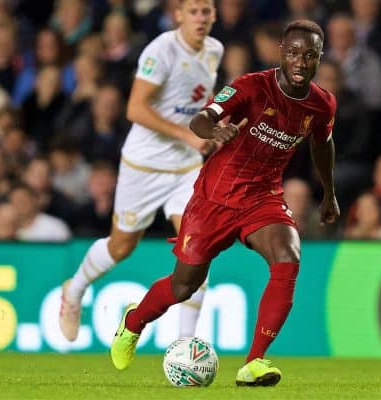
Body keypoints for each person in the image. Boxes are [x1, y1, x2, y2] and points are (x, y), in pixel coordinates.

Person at [110, 19, 338, 386]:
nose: (300, 61)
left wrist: (329, 192)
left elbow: (322, 144)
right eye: (294, 52)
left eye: (309, 55)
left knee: (288, 256)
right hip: (214, 199)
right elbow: (203, 118)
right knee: (183, 286)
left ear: (318, 58)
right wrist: (214, 130)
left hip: (263, 197)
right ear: (282, 50)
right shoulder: (251, 87)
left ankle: (254, 362)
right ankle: (133, 321)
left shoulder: (321, 104)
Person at [58, 0, 223, 342]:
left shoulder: (214, 50)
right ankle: (74, 291)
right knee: (121, 246)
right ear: (179, 15)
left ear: (214, 16)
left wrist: (215, 126)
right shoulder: (161, 50)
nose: (201, 18)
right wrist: (187, 135)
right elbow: (134, 108)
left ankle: (184, 344)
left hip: (187, 168)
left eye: (206, 11)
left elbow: (197, 103)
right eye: (194, 11)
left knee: (198, 247)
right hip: (145, 165)